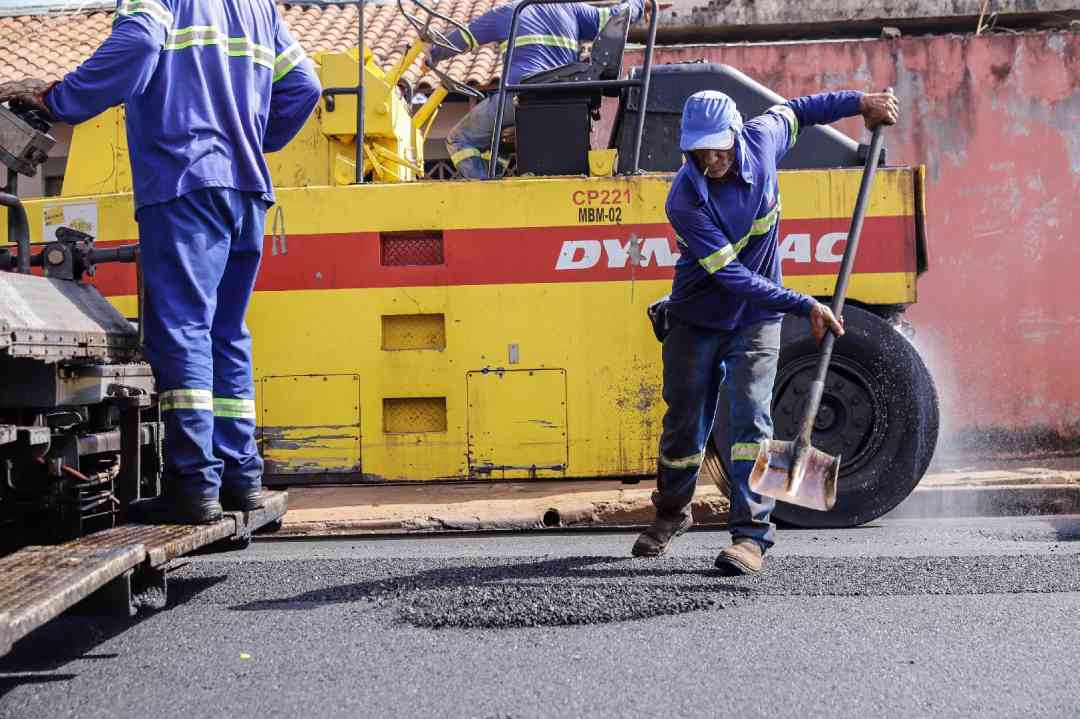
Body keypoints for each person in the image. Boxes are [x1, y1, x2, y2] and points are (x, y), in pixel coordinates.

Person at [0, 0, 322, 524]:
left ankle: (193, 484)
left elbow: (140, 43)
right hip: (245, 188)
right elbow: (304, 85)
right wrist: (248, 142)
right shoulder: (260, 9)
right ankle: (241, 479)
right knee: (226, 334)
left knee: (185, 332)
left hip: (184, 184)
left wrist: (59, 100)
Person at [633, 88, 899, 573]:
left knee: (751, 421)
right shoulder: (685, 198)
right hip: (696, 319)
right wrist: (803, 302)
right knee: (685, 426)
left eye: (718, 146)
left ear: (736, 134)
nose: (710, 157)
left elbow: (800, 110)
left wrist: (861, 103)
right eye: (698, 149)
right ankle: (671, 513)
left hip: (755, 322)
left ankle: (751, 537)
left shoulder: (763, 137)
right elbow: (731, 277)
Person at [425, 0, 647, 179]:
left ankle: (486, 191)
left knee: (460, 139)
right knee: (499, 141)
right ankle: (497, 175)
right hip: (568, 100)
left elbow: (460, 39)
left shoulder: (506, 13)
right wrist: (639, 3)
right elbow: (617, 15)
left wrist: (431, 54)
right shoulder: (572, 10)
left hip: (521, 98)